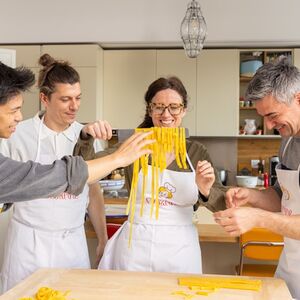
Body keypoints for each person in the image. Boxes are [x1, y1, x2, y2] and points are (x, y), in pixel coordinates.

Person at [0, 60, 154, 292]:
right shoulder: (17, 134)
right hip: (27, 244)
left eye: (78, 98)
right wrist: (118, 157)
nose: (74, 106)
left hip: (71, 242)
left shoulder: (86, 135)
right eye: (65, 99)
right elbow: (25, 180)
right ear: (44, 98)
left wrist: (103, 239)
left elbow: (92, 189)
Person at [75, 76, 227, 274]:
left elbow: (222, 204)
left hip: (180, 252)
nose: (166, 114)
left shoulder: (196, 152)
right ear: (150, 109)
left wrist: (205, 190)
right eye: (159, 107)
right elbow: (85, 171)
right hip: (135, 248)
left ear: (184, 110)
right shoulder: (134, 144)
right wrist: (86, 137)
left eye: (174, 107)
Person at [214, 57, 300, 299]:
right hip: (290, 270)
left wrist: (257, 218)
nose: (270, 125)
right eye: (264, 116)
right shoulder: (288, 139)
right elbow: (284, 198)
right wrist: (252, 197)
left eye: (273, 115)